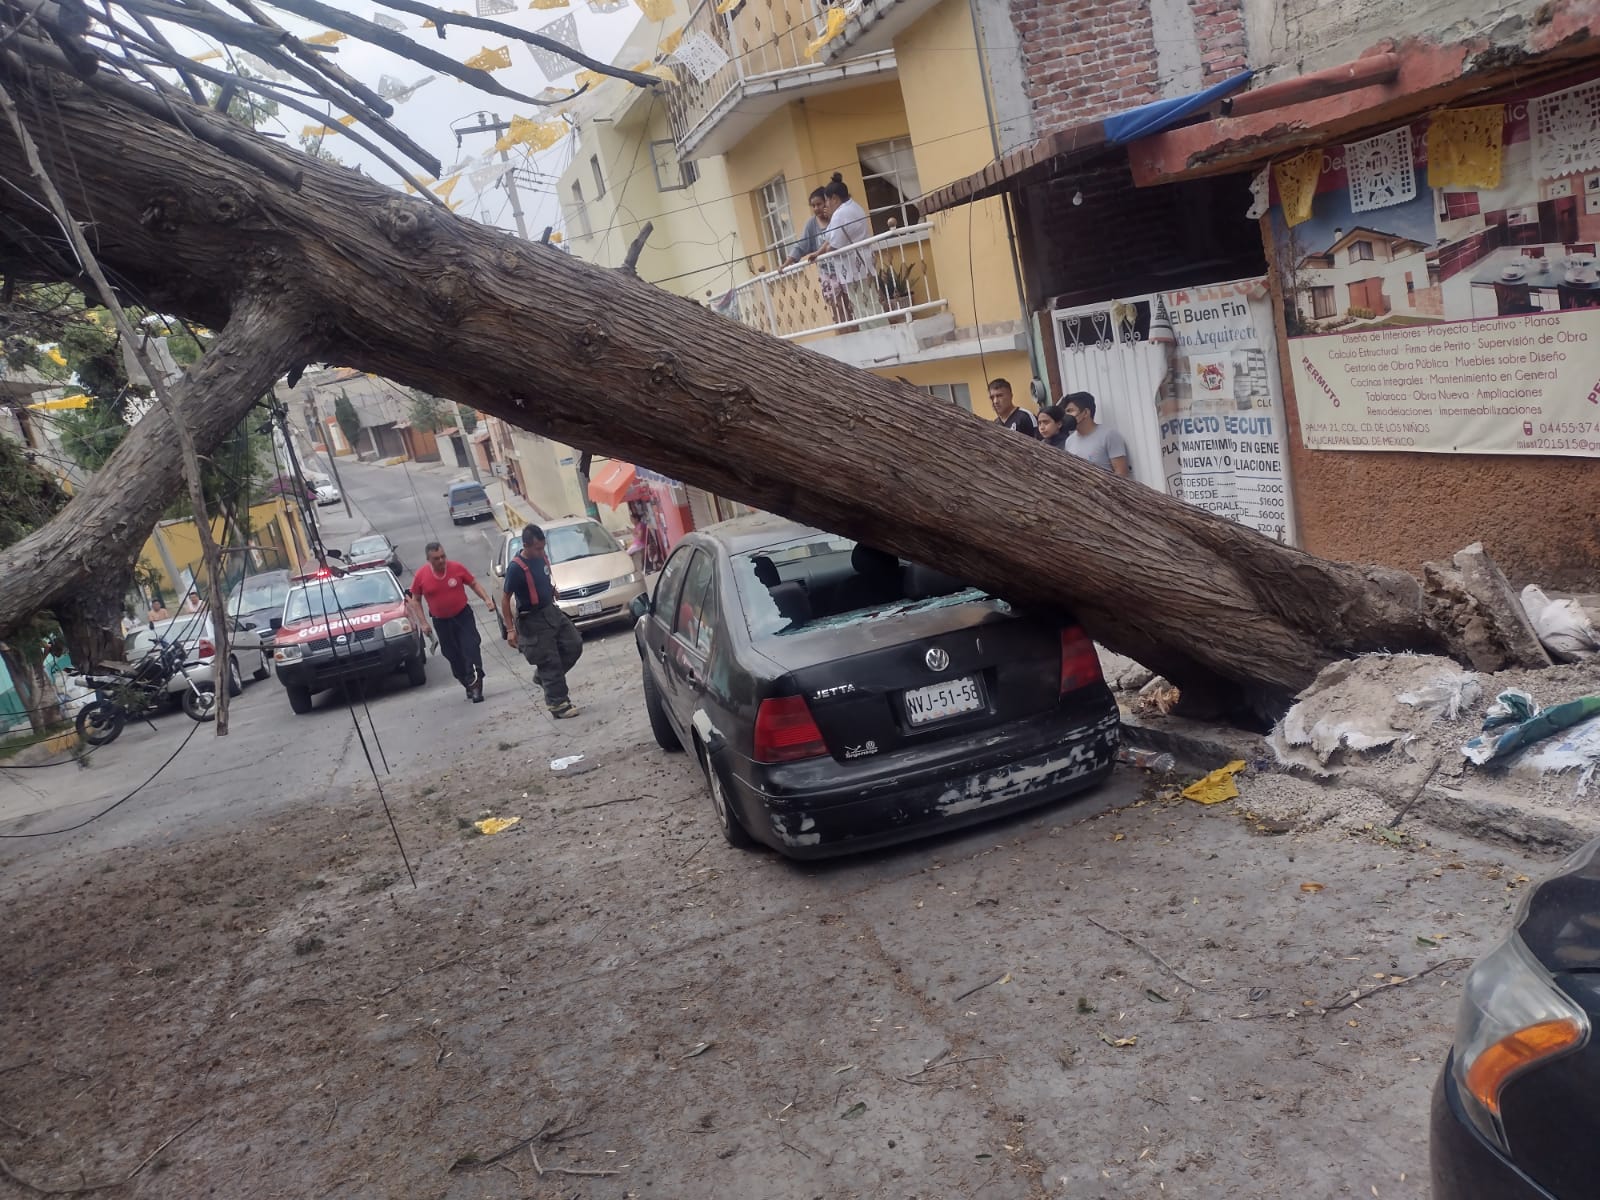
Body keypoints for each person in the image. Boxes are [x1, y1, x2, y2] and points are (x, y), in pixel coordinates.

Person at [500, 524, 583, 719]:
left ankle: (543, 678)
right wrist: (510, 629)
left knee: (574, 645)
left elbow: (543, 577)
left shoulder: (541, 558)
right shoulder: (516, 568)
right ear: (526, 545)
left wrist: (551, 590)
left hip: (551, 612)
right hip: (533, 620)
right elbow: (505, 598)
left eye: (542, 548)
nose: (541, 552)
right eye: (537, 548)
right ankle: (558, 704)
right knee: (549, 661)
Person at [410, 541, 496, 702]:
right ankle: (467, 683)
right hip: (441, 622)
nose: (441, 561)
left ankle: (476, 686)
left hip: (463, 617)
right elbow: (415, 600)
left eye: (443, 556)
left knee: (471, 648)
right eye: (436, 558)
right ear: (429, 560)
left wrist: (486, 599)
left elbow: (473, 583)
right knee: (453, 655)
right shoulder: (421, 576)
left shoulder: (456, 568)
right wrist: (423, 623)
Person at [808, 173, 881, 327]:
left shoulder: (839, 214)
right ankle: (879, 333)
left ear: (834, 198)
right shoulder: (856, 207)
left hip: (852, 268)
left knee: (862, 307)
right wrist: (818, 253)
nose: (827, 204)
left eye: (827, 200)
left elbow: (834, 243)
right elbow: (831, 239)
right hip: (864, 262)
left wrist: (824, 252)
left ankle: (875, 336)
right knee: (872, 302)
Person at [1062, 391, 1131, 476]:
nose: (1066, 416)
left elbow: (1122, 473)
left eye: (1070, 411)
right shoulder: (1069, 441)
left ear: (1086, 413)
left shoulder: (1109, 435)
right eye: (1065, 412)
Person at [783, 187, 828, 267]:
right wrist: (785, 265)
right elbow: (800, 247)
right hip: (826, 273)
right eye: (813, 206)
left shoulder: (836, 217)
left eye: (819, 204)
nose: (816, 208)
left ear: (827, 202)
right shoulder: (811, 224)